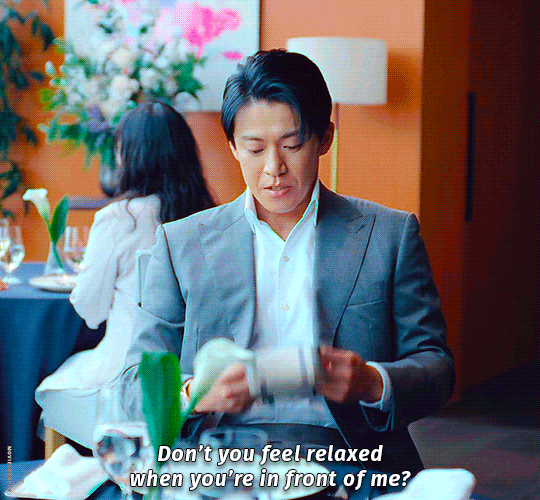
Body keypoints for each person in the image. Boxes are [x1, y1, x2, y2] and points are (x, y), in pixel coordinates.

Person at [124, 50, 454, 475]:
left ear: (324, 139)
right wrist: (195, 394)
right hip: (218, 458)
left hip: (353, 457)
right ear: (233, 147)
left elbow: (437, 368)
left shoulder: (389, 235)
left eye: (292, 145)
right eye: (254, 148)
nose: (273, 168)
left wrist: (371, 382)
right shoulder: (181, 243)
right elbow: (133, 382)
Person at [36, 101, 214, 395]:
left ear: (127, 155)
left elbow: (91, 310)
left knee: (45, 388)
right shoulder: (210, 218)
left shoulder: (117, 219)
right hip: (196, 372)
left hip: (126, 369)